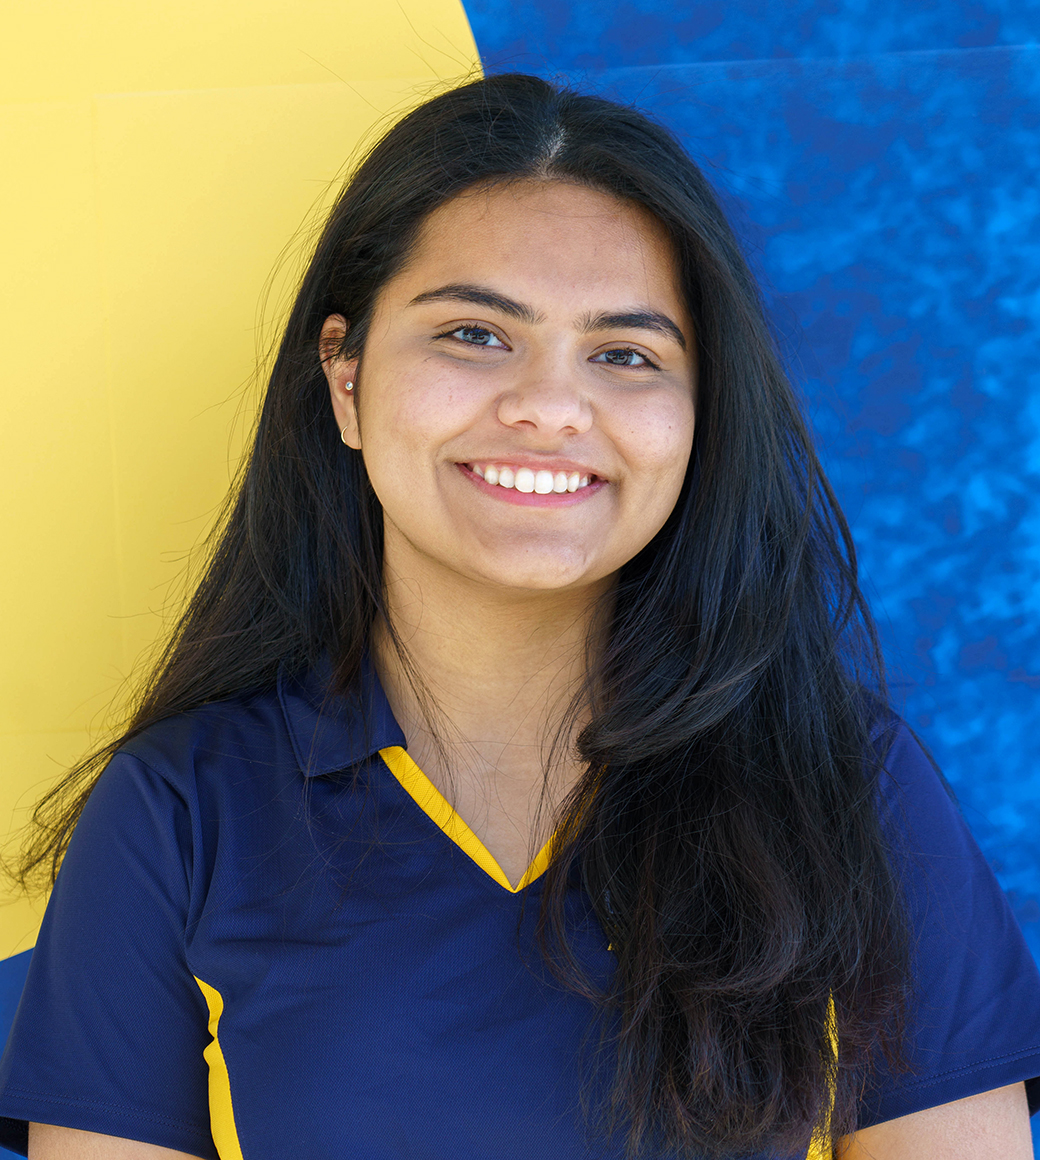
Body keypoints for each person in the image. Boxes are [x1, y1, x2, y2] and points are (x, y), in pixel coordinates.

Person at [0, 72, 1037, 1160]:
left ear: (699, 412)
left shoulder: (848, 789)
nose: (548, 406)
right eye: (473, 336)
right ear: (344, 379)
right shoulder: (181, 813)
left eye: (624, 354)